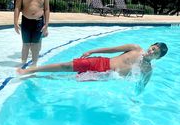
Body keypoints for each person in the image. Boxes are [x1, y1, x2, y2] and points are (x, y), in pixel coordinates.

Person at [17, 42, 168, 87]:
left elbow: (141, 86)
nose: (151, 52)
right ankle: (32, 69)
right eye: (153, 48)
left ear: (158, 58)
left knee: (71, 79)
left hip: (105, 75)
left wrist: (134, 100)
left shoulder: (147, 70)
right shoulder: (135, 48)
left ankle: (38, 77)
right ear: (150, 45)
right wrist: (92, 51)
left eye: (156, 53)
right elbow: (112, 49)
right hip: (101, 62)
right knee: (66, 66)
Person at [14, 0, 50, 66]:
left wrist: (46, 24)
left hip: (38, 22)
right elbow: (17, 7)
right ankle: (23, 63)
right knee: (25, 44)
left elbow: (46, 9)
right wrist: (15, 22)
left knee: (35, 45)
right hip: (26, 21)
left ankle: (34, 64)